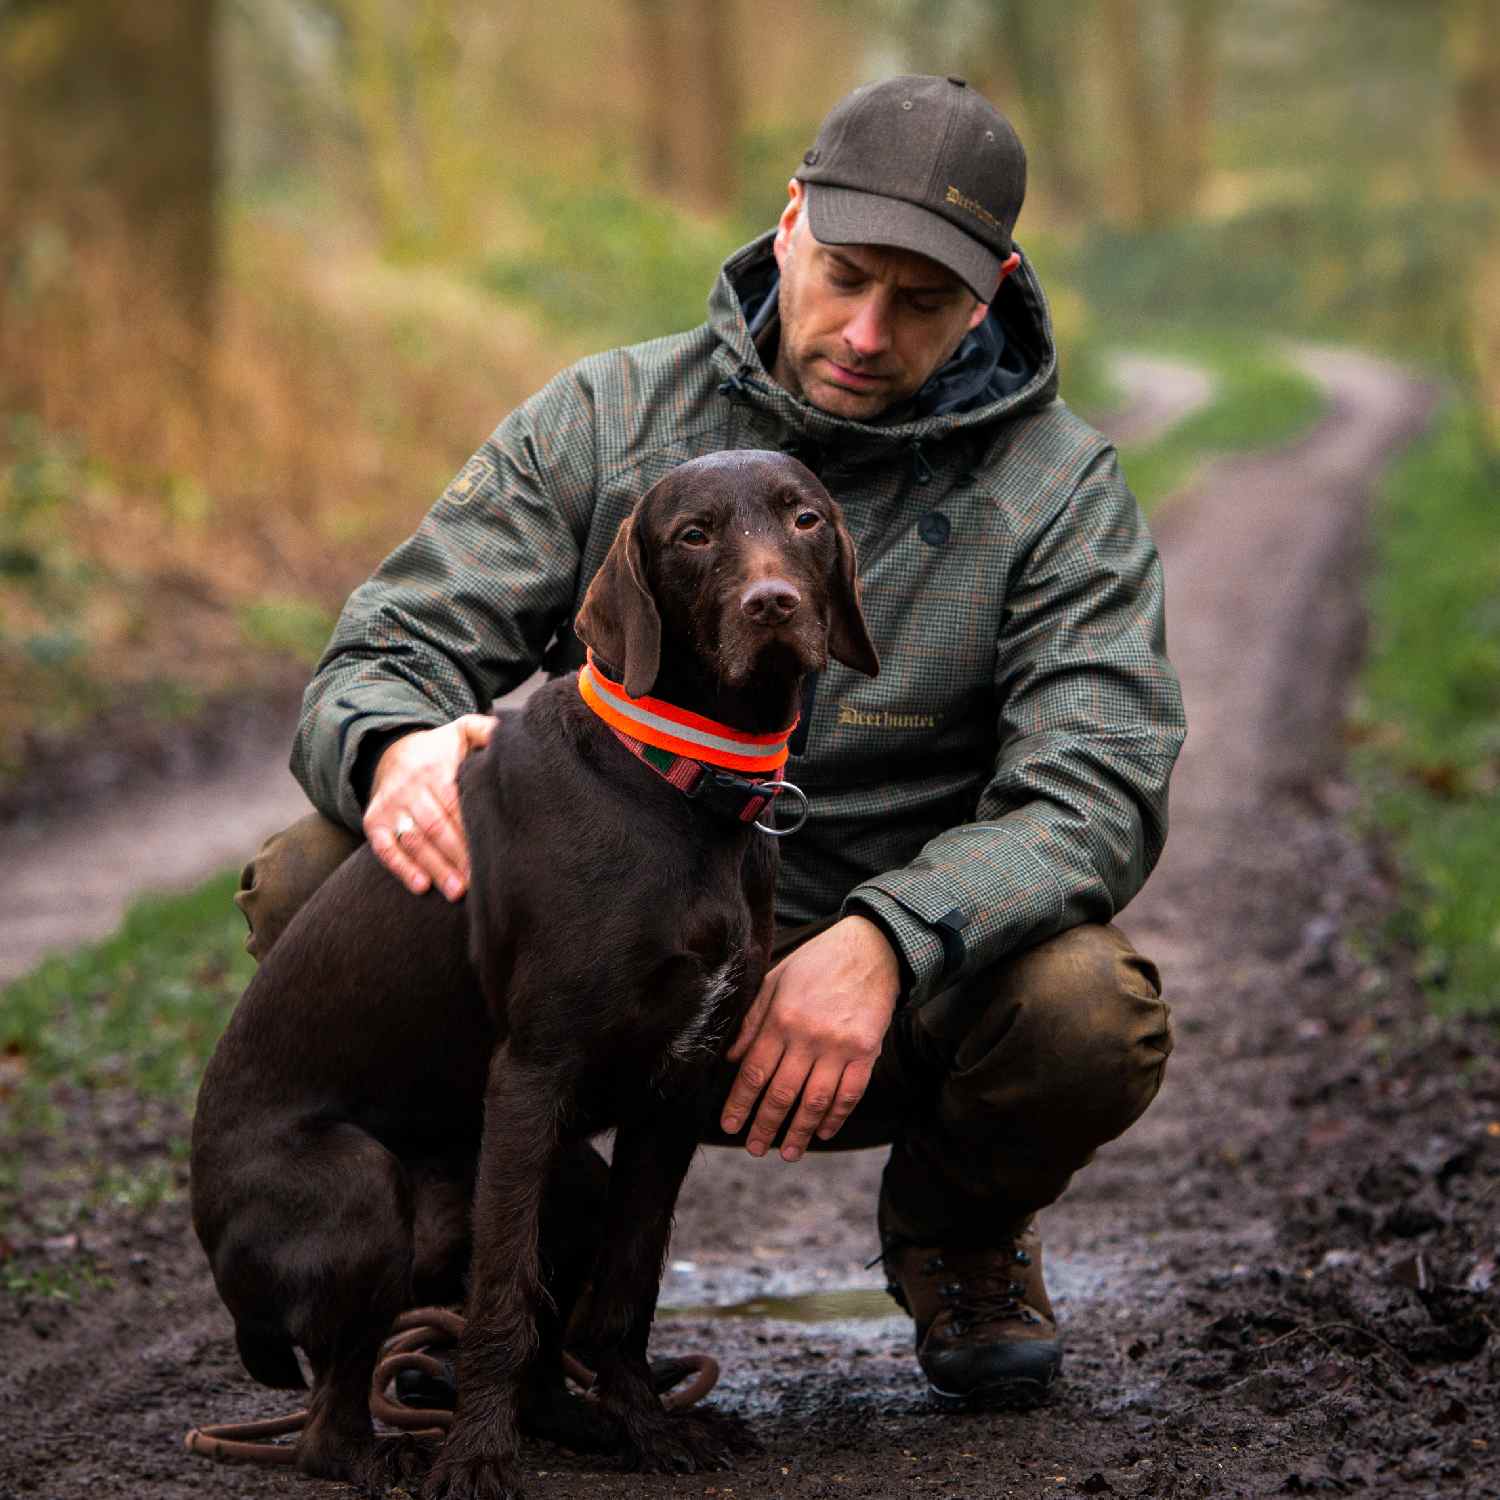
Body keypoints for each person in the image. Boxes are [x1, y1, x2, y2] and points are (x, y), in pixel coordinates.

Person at [238, 74, 1185, 1406]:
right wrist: (394, 746)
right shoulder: (607, 417)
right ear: (789, 221)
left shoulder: (1056, 491)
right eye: (846, 276)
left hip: (876, 994)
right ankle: (492, 1247)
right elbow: (391, 639)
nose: (865, 332)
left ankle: (958, 1235)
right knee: (313, 870)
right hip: (600, 950)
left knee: (1090, 1011)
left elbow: (1099, 782)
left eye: (920, 303)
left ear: (992, 291)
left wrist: (888, 936)